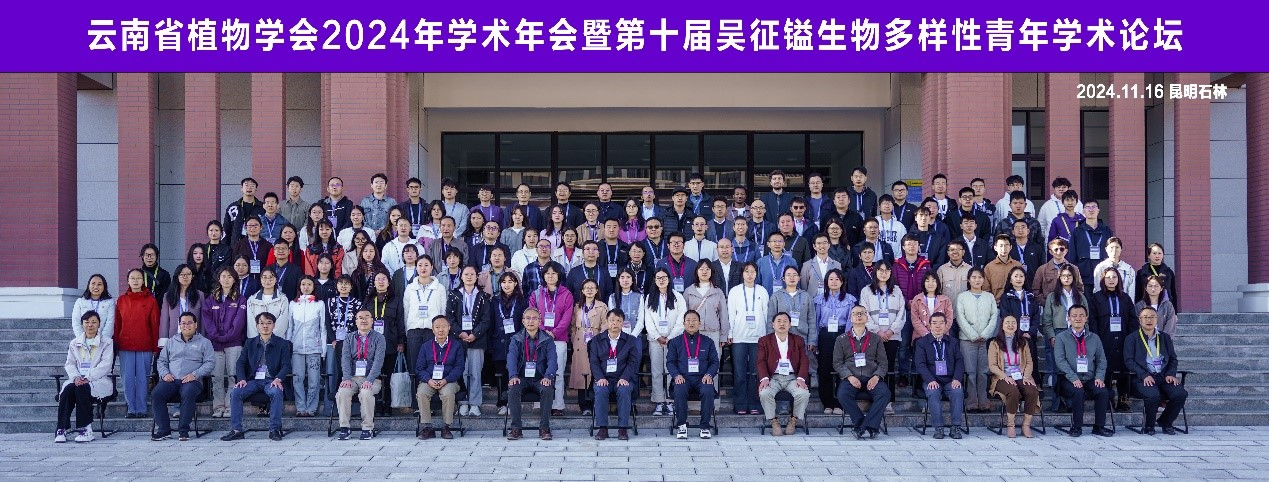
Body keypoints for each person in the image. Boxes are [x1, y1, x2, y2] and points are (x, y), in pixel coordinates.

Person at [221, 312, 293, 441]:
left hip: (271, 381)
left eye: (269, 323)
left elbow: (286, 365)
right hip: (253, 381)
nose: (265, 326)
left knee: (276, 392)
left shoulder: (282, 343)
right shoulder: (250, 343)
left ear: (274, 325)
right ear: (257, 326)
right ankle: (237, 430)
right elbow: (240, 362)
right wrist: (242, 379)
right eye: (262, 323)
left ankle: (274, 429)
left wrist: (278, 378)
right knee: (236, 392)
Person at [150, 312, 215, 441]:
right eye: (183, 323)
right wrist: (165, 374)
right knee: (156, 394)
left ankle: (183, 431)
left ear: (195, 325)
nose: (186, 326)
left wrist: (195, 374)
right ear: (179, 325)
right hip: (171, 380)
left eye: (190, 323)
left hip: (192, 381)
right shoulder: (171, 342)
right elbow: (161, 361)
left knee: (188, 392)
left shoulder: (205, 343)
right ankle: (164, 430)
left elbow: (210, 363)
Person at [1124, 306, 1188, 435]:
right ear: (1140, 320)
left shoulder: (1165, 338)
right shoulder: (1132, 338)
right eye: (1145, 317)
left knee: (1180, 393)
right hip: (1142, 378)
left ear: (1157, 319)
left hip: (1163, 376)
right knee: (1153, 395)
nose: (1149, 320)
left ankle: (1165, 422)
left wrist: (1170, 374)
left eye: (1152, 317)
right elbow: (1129, 361)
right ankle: (1149, 425)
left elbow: (1173, 359)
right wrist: (1144, 375)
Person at [1053, 304, 1112, 437]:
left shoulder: (1094, 338)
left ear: (1086, 318)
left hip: (1089, 378)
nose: (1078, 318)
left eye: (1081, 315)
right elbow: (1060, 361)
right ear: (1068, 318)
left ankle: (1099, 426)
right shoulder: (1061, 337)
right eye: (1074, 316)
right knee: (1078, 392)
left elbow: (1101, 360)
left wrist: (1099, 377)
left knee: (1102, 391)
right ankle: (1077, 427)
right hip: (1068, 379)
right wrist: (1073, 378)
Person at [56, 311, 115, 443]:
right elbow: (70, 363)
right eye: (87, 322)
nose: (90, 325)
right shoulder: (74, 343)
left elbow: (105, 365)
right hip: (78, 379)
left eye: (94, 322)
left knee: (82, 389)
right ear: (82, 324)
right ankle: (61, 428)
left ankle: (85, 429)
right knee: (68, 389)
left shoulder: (107, 342)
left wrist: (88, 378)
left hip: (98, 380)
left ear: (99, 324)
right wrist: (76, 377)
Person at [834, 305, 891, 439]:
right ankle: (862, 423)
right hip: (851, 378)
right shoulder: (841, 339)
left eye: (862, 313)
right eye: (855, 313)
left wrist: (876, 376)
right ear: (850, 318)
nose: (859, 316)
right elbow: (837, 363)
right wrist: (849, 376)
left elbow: (883, 363)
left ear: (867, 317)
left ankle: (866, 426)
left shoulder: (875, 338)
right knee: (842, 394)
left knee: (884, 394)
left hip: (872, 377)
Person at [1090, 266, 1139, 411]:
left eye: (1114, 277)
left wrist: (1131, 339)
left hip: (1123, 340)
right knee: (1105, 371)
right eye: (1108, 277)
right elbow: (1093, 321)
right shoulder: (1096, 298)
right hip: (1104, 340)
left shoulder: (1125, 298)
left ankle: (1123, 401)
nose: (1111, 280)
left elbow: (1133, 320)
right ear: (1103, 280)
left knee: (1124, 372)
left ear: (1119, 280)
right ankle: (1106, 401)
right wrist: (1096, 340)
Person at [200, 267, 247, 418]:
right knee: (217, 377)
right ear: (218, 279)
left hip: (234, 343)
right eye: (223, 276)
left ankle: (230, 406)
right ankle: (218, 406)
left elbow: (239, 323)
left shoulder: (240, 299)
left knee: (233, 376)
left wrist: (227, 337)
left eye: (229, 276)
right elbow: (207, 321)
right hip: (215, 344)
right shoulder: (210, 300)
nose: (226, 279)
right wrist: (216, 336)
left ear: (234, 280)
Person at [665, 310, 720, 439]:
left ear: (699, 323)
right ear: (683, 323)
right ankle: (682, 425)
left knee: (708, 390)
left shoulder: (708, 341)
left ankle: (705, 426)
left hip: (702, 378)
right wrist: (676, 375)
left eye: (694, 320)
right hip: (683, 378)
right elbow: (670, 362)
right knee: (679, 389)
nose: (691, 323)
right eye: (688, 320)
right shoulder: (675, 342)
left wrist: (709, 375)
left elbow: (714, 362)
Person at [527, 263, 573, 417]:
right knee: (540, 371)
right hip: (539, 338)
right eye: (547, 273)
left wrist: (554, 333)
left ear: (559, 275)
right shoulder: (536, 293)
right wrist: (542, 331)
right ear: (543, 276)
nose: (550, 276)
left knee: (557, 372)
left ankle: (557, 405)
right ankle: (540, 403)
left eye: (554, 273)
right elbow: (532, 314)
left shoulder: (566, 294)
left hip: (558, 339)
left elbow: (567, 317)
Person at [505, 308, 558, 441]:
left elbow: (553, 361)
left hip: (540, 378)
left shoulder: (547, 340)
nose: (531, 321)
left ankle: (544, 428)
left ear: (540, 321)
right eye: (528, 318)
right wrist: (513, 376)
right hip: (522, 378)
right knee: (513, 387)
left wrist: (548, 376)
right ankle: (516, 428)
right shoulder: (516, 339)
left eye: (534, 318)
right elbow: (511, 359)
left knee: (547, 388)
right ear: (523, 321)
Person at [588, 309, 641, 440]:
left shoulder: (630, 341)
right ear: (607, 321)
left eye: (618, 321)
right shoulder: (596, 341)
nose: (615, 323)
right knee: (600, 389)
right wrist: (600, 378)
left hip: (622, 378)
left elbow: (633, 362)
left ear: (623, 323)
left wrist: (625, 377)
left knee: (624, 390)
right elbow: (594, 362)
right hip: (604, 378)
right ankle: (602, 428)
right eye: (612, 320)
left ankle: (622, 429)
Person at [642, 268, 688, 416]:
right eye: (658, 278)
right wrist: (657, 336)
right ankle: (659, 401)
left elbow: (682, 319)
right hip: (655, 340)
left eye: (664, 277)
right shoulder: (650, 297)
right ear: (654, 280)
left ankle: (670, 401)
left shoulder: (677, 297)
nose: (661, 280)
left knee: (670, 370)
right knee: (656, 370)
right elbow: (648, 320)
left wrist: (670, 337)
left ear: (669, 279)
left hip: (673, 340)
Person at [410, 314, 464, 440]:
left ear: (449, 328)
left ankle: (446, 427)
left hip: (449, 381)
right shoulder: (426, 346)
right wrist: (428, 380)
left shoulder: (456, 346)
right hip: (429, 380)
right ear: (433, 329)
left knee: (448, 393)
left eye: (444, 327)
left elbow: (459, 368)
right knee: (422, 393)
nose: (441, 330)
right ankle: (427, 427)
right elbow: (419, 368)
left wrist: (446, 380)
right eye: (437, 327)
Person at [447, 266, 491, 417]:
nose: (469, 276)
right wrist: (459, 332)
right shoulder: (454, 295)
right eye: (466, 274)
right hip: (458, 340)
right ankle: (463, 402)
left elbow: (486, 319)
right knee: (462, 372)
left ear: (477, 276)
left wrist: (475, 334)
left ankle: (475, 404)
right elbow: (449, 317)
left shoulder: (483, 296)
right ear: (461, 276)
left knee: (475, 373)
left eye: (472, 274)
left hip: (477, 340)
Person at [115, 269, 159, 419]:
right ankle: (130, 408)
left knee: (142, 378)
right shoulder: (121, 300)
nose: (135, 281)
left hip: (144, 345)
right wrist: (116, 344)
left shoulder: (151, 300)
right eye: (132, 278)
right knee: (127, 378)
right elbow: (117, 324)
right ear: (128, 281)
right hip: (125, 344)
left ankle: (141, 408)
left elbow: (155, 324)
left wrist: (155, 346)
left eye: (138, 278)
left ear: (143, 281)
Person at [758, 312, 812, 436]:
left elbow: (804, 360)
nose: (782, 324)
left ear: (790, 324)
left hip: (792, 377)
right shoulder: (764, 341)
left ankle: (793, 420)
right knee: (764, 393)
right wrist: (764, 378)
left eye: (785, 321)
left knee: (803, 393)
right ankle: (774, 421)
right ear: (773, 324)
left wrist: (801, 378)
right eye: (779, 321)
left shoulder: (798, 340)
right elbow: (760, 361)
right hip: (773, 377)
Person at [913, 313, 966, 439]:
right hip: (931, 379)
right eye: (935, 323)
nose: (938, 326)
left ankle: (955, 427)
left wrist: (957, 379)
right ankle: (938, 427)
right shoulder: (922, 342)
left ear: (946, 325)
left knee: (957, 391)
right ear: (929, 325)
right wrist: (930, 380)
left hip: (949, 380)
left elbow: (959, 361)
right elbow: (920, 364)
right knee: (933, 392)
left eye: (941, 323)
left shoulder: (953, 342)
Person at [860, 260, 905, 406]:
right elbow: (864, 313)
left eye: (887, 270)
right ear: (875, 272)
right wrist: (877, 331)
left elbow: (902, 313)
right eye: (880, 270)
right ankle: (874, 399)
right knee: (873, 367)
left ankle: (889, 402)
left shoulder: (896, 290)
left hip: (892, 336)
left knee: (889, 367)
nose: (884, 273)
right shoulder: (866, 291)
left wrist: (891, 331)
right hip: (873, 336)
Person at [988, 314, 1040, 438]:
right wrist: (1005, 377)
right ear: (1002, 326)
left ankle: (1026, 425)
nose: (1010, 325)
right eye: (1007, 323)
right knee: (1013, 391)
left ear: (1017, 326)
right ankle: (1010, 425)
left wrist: (1026, 377)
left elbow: (1029, 362)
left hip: (1021, 376)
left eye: (1013, 323)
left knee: (1032, 391)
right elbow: (992, 365)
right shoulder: (995, 343)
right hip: (1002, 377)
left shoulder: (1023, 342)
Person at [813, 270, 856, 414]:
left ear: (842, 281)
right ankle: (827, 402)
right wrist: (815, 341)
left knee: (842, 368)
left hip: (842, 334)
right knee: (824, 369)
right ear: (826, 282)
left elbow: (850, 321)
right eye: (831, 279)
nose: (834, 282)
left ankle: (839, 403)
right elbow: (816, 321)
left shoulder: (849, 299)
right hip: (825, 336)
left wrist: (848, 339)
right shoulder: (819, 299)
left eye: (837, 279)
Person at [727, 263, 768, 415]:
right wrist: (730, 333)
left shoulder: (762, 291)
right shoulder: (735, 291)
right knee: (740, 373)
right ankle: (740, 404)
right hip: (739, 337)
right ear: (742, 274)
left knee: (755, 372)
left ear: (756, 274)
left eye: (753, 272)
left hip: (758, 338)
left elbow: (766, 314)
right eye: (747, 271)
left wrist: (766, 336)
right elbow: (731, 314)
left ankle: (754, 403)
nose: (750, 274)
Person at [955, 267, 998, 413]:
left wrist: (985, 334)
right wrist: (973, 335)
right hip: (967, 340)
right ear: (969, 280)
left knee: (983, 372)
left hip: (985, 340)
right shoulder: (962, 297)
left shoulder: (989, 297)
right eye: (973, 277)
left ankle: (984, 401)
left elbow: (994, 317)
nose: (977, 280)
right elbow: (960, 318)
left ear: (983, 279)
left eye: (980, 277)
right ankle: (971, 402)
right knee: (970, 372)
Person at [404, 256, 447, 384]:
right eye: (420, 265)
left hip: (432, 331)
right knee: (414, 365)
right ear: (416, 268)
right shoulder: (410, 288)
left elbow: (443, 311)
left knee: (431, 363)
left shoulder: (439, 288)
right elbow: (406, 311)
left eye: (426, 265)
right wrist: (408, 330)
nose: (423, 268)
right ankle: (414, 395)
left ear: (432, 267)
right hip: (414, 331)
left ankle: (431, 394)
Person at [769, 266, 816, 384]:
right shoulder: (776, 296)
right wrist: (770, 339)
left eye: (795, 275)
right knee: (785, 363)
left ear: (799, 278)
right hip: (782, 337)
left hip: (802, 336)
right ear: (783, 278)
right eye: (788, 275)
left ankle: (803, 389)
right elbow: (770, 318)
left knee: (802, 364)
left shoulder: (806, 296)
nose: (792, 278)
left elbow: (811, 319)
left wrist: (812, 340)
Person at [288, 276, 326, 417]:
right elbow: (290, 327)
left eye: (309, 284)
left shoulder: (319, 304)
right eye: (303, 284)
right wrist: (289, 347)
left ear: (313, 286)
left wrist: (323, 350)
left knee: (314, 380)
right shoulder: (293, 304)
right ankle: (300, 407)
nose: (306, 287)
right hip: (296, 348)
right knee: (297, 379)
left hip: (314, 348)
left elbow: (323, 328)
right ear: (299, 286)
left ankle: (311, 408)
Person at [569, 279, 608, 416]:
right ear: (582, 291)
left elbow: (605, 325)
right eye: (587, 288)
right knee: (581, 375)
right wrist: (574, 338)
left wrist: (600, 339)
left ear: (597, 290)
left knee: (594, 371)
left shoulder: (602, 306)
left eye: (592, 288)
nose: (589, 290)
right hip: (580, 342)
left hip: (596, 340)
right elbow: (572, 325)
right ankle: (584, 405)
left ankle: (595, 404)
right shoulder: (577, 306)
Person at [491, 272, 526, 415]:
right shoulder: (494, 300)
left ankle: (513, 403)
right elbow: (491, 322)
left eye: (510, 282)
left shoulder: (522, 301)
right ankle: (501, 403)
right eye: (504, 282)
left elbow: (524, 323)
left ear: (516, 283)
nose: (507, 285)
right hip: (498, 342)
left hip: (516, 342)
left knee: (515, 374)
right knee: (501, 375)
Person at [684, 262, 729, 360]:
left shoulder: (718, 291)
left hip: (713, 332)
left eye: (707, 269)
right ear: (696, 272)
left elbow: (723, 315)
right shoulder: (689, 291)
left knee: (713, 360)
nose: (704, 271)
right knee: (695, 360)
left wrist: (723, 336)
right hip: (694, 332)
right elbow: (684, 313)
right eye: (701, 269)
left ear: (712, 272)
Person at [1072, 200, 1114, 295]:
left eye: (1094, 207)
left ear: (1098, 210)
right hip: (1084, 276)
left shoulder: (1106, 230)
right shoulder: (1077, 231)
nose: (1091, 210)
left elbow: (1112, 251)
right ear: (1083, 211)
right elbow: (1072, 255)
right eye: (1088, 207)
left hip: (1104, 276)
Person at [159, 265, 203, 349]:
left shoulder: (199, 295)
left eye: (188, 274)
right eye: (182, 274)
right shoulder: (168, 296)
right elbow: (164, 320)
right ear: (177, 277)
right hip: (174, 338)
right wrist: (163, 341)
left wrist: (203, 338)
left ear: (192, 276)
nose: (185, 277)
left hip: (195, 339)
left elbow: (202, 320)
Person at [1032, 238, 1084, 303]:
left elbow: (1080, 288)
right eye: (1056, 249)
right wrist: (1046, 303)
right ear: (1051, 252)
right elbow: (1036, 290)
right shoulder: (1042, 270)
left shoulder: (1074, 269)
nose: (1059, 252)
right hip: (1049, 304)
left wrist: (1074, 302)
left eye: (1062, 249)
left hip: (1070, 304)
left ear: (1066, 251)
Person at [246, 267, 291, 339]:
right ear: (260, 279)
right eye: (264, 277)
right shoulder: (252, 300)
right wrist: (257, 340)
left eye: (271, 277)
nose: (267, 280)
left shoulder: (283, 299)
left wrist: (271, 339)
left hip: (276, 341)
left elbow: (282, 323)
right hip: (257, 342)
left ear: (276, 280)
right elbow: (251, 324)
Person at [72, 274, 116, 340]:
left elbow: (110, 323)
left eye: (99, 284)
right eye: (93, 283)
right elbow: (76, 322)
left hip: (103, 341)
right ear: (89, 285)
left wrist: (102, 341)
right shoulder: (80, 302)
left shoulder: (110, 302)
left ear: (104, 286)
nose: (96, 287)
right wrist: (83, 339)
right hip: (83, 341)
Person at [1137, 243, 1179, 310]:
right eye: (1154, 253)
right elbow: (1138, 293)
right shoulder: (1142, 272)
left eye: (1159, 253)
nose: (1157, 256)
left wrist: (1175, 311)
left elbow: (1173, 293)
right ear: (1148, 255)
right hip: (1146, 307)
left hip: (1165, 307)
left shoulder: (1169, 272)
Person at [223, 177, 264, 245]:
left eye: (252, 186)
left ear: (256, 189)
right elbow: (226, 229)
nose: (249, 188)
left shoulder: (262, 207)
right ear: (241, 188)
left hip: (257, 244)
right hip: (236, 245)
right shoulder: (233, 208)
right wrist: (225, 247)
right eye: (246, 185)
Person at [801, 234, 843, 300]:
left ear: (829, 245)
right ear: (814, 246)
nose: (822, 246)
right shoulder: (807, 265)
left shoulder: (837, 265)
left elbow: (839, 285)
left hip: (832, 301)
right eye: (819, 243)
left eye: (825, 243)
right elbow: (804, 286)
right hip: (812, 301)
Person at [984, 235, 1023, 299]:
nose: (1004, 249)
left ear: (1010, 247)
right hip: (996, 303)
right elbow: (986, 290)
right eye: (1001, 246)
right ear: (995, 248)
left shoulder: (1017, 265)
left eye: (1006, 245)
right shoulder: (989, 267)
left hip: (1014, 302)